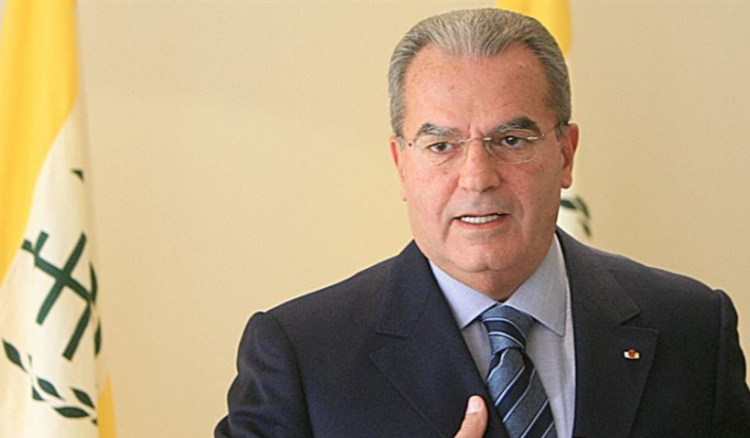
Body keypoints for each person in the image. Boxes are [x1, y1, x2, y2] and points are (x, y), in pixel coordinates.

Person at [215, 8, 750, 438]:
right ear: (402, 165)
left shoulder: (694, 327)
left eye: (511, 140)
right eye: (441, 145)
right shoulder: (303, 354)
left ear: (566, 155)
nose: (477, 177)